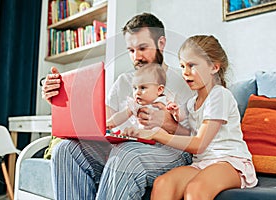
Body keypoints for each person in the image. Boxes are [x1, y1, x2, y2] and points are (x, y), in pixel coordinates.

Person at [42, 13, 195, 199]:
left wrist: (168, 124)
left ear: (161, 43)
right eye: (131, 50)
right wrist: (60, 97)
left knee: (126, 155)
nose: (136, 57)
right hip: (127, 145)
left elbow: (198, 140)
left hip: (170, 150)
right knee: (65, 150)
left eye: (143, 48)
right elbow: (105, 123)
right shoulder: (124, 81)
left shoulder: (185, 81)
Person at [123, 35, 258, 200]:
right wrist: (168, 118)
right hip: (202, 163)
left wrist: (157, 134)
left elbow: (199, 144)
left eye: (191, 65)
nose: (185, 72)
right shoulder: (191, 103)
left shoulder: (219, 95)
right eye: (182, 66)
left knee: (195, 190)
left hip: (229, 162)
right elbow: (187, 135)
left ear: (214, 67)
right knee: (162, 183)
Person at [106, 63, 168, 130]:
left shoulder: (165, 103)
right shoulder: (135, 105)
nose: (137, 93)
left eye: (143, 88)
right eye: (135, 88)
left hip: (159, 137)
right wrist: (110, 123)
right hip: (141, 137)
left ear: (159, 90)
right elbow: (121, 115)